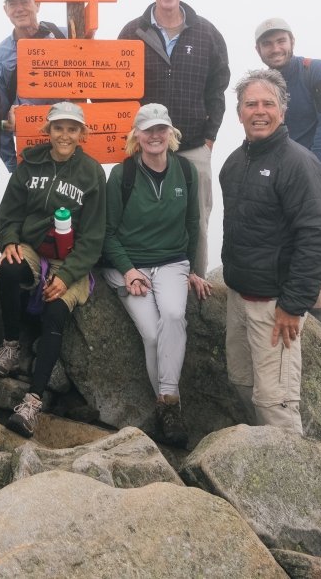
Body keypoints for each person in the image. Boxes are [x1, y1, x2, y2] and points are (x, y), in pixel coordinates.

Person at [218, 69, 321, 434]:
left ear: (283, 112)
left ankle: (296, 483)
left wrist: (293, 305)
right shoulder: (234, 164)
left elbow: (318, 236)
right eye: (250, 104)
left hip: (275, 307)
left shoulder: (299, 164)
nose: (259, 111)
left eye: (268, 104)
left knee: (276, 405)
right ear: (238, 113)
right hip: (239, 297)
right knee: (241, 382)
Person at [0, 102, 106, 437]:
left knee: (55, 309)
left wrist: (67, 276)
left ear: (83, 133)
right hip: (32, 248)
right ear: (48, 131)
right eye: (58, 128)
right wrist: (9, 238)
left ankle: (33, 401)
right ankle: (11, 346)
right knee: (9, 268)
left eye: (72, 128)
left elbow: (94, 237)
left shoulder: (92, 172)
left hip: (71, 261)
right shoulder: (30, 163)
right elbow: (9, 210)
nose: (64, 135)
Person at [102, 104, 211, 448]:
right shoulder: (123, 175)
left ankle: (168, 404)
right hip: (130, 265)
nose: (155, 135)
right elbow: (107, 232)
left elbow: (193, 225)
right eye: (147, 129)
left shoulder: (187, 171)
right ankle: (170, 407)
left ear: (171, 133)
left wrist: (192, 269)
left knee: (174, 315)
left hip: (171, 263)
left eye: (161, 128)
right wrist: (128, 269)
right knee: (151, 334)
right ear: (136, 135)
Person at [117, 0, 229, 280]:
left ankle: (196, 282)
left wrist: (209, 138)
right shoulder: (132, 32)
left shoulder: (207, 33)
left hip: (194, 145)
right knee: (142, 214)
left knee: (197, 220)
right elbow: (117, 87)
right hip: (146, 145)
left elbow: (218, 90)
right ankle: (142, 279)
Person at [254, 18, 321, 323]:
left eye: (280, 41)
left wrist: (312, 172)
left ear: (292, 41)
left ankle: (314, 312)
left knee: (308, 231)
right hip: (283, 168)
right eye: (268, 43)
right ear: (258, 49)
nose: (275, 48)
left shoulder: (316, 70)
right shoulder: (264, 83)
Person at [0, 0, 69, 172]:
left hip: (70, 138)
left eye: (25, 1)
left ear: (37, 4)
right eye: (13, 3)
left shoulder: (65, 36)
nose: (19, 8)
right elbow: (2, 115)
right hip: (31, 148)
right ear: (5, 10)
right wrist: (13, 166)